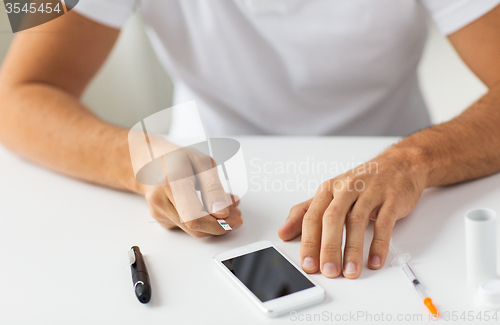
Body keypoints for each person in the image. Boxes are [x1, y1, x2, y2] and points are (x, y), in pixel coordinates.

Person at [1, 0, 500, 280]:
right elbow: (16, 95)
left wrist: (415, 160)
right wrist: (140, 159)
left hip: (399, 202)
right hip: (203, 199)